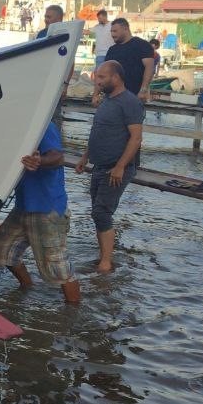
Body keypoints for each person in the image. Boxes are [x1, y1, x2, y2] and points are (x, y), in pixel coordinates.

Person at [0, 122, 80, 303]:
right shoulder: (15, 126)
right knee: (2, 251)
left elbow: (58, 157)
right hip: (23, 205)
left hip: (48, 208)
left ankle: (74, 309)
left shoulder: (43, 125)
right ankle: (27, 286)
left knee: (58, 268)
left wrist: (40, 161)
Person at [75, 61, 144, 274]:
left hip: (116, 167)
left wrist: (120, 166)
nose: (98, 81)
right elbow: (98, 131)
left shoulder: (129, 102)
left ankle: (106, 262)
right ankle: (103, 255)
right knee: (97, 212)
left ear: (116, 77)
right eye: (97, 77)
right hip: (99, 164)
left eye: (102, 78)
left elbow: (136, 138)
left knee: (102, 211)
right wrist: (85, 157)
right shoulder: (106, 101)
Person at [104, 17, 156, 101]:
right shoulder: (112, 50)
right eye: (111, 31)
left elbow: (149, 68)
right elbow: (105, 73)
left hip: (134, 95)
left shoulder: (142, 45)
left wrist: (143, 90)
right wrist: (97, 93)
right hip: (112, 97)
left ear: (125, 29)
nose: (112, 34)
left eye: (115, 31)